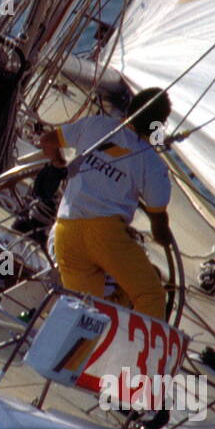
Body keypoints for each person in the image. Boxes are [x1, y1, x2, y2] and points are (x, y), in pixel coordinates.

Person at [38, 87, 174, 319]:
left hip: (66, 231)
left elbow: (48, 141)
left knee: (82, 312)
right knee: (151, 295)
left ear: (131, 107)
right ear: (157, 127)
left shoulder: (95, 125)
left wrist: (60, 162)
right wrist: (165, 239)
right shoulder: (153, 164)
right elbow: (159, 227)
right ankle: (132, 352)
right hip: (106, 238)